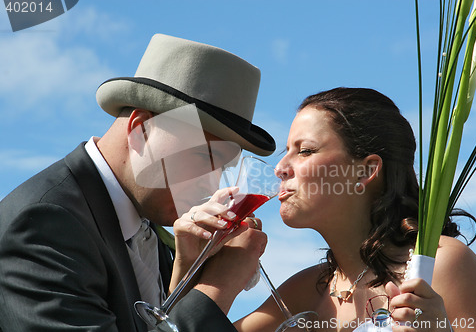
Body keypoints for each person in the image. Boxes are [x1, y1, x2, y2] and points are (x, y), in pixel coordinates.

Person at [0, 34, 274, 331]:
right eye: (200, 157)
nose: (210, 187)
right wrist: (217, 286)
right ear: (141, 129)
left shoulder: (147, 227)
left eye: (220, 167)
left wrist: (187, 280)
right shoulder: (44, 224)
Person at [234, 87, 476, 332]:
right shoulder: (305, 291)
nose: (280, 167)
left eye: (305, 151)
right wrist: (202, 260)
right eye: (287, 150)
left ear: (366, 170)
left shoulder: (438, 264)